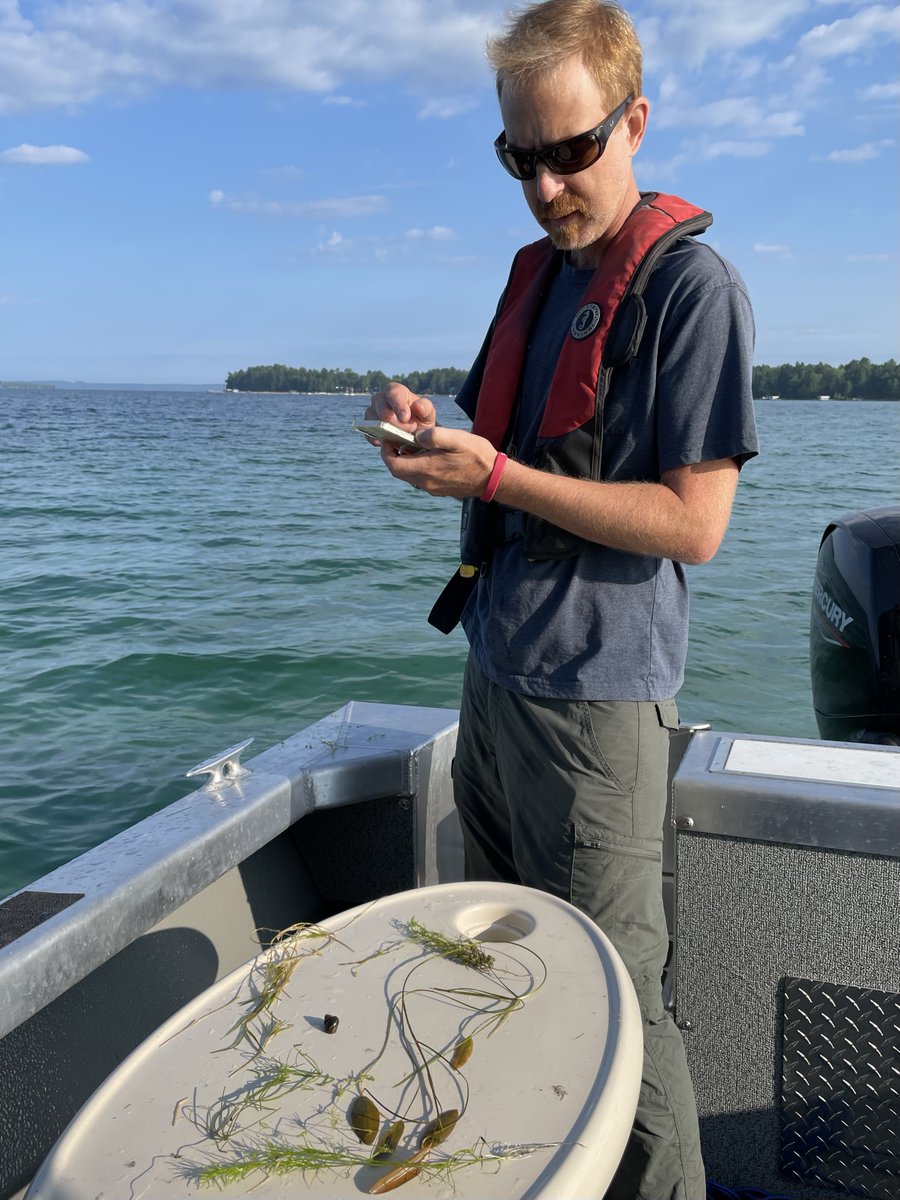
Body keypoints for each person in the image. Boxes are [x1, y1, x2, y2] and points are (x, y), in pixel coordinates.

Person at [363, 2, 758, 1196]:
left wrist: (497, 474)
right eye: (519, 159)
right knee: (510, 985)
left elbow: (696, 523)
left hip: (596, 717)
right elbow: (516, 458)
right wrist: (445, 439)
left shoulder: (694, 293)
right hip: (494, 686)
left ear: (635, 123)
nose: (545, 187)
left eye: (572, 151)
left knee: (623, 1019)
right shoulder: (536, 280)